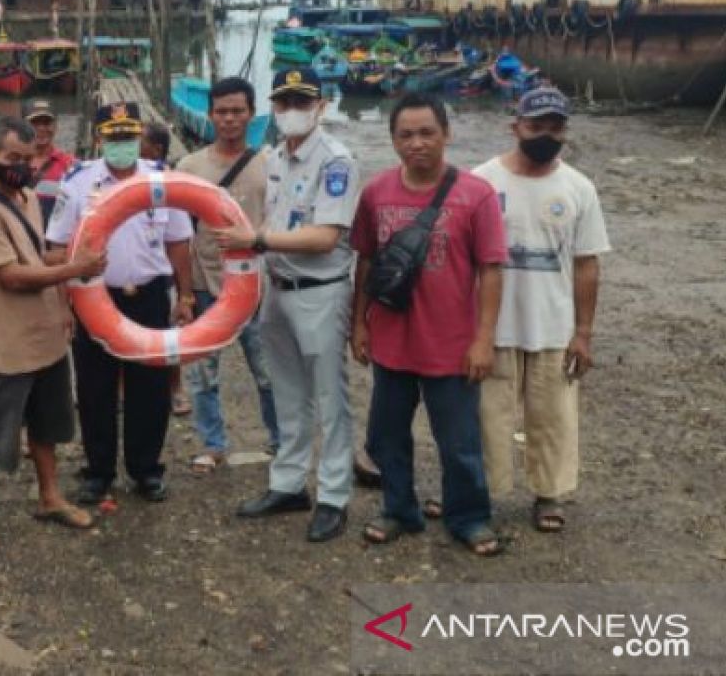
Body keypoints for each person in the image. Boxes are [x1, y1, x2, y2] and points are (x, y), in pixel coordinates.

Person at [350, 92, 506, 556]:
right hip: (392, 340)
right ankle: (400, 509)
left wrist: (484, 340)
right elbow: (366, 262)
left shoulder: (475, 195)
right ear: (393, 140)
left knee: (459, 442)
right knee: (386, 435)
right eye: (406, 134)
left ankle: (469, 516)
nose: (417, 143)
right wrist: (358, 324)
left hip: (452, 345)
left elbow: (492, 270)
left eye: (427, 133)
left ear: (447, 135)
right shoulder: (376, 192)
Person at [217, 68, 358, 544]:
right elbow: (278, 219)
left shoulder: (336, 161)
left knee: (329, 398)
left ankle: (334, 495)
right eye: (284, 103)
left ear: (321, 105)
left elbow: (324, 237)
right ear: (273, 109)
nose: (292, 110)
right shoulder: (276, 157)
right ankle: (289, 484)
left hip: (321, 291)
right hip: (278, 287)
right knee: (288, 394)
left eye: (302, 101)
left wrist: (255, 238)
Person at [0, 117, 107, 557]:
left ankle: (49, 497)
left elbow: (35, 253)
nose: (20, 167)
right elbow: (12, 275)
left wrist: (65, 301)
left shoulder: (26, 198)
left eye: (27, 159)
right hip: (7, 342)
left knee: (47, 426)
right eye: (11, 159)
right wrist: (74, 269)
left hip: (46, 339)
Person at [473, 87, 610, 533]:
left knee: (552, 415)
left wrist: (583, 333)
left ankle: (549, 494)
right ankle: (484, 492)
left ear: (565, 131)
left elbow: (587, 263)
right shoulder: (482, 182)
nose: (546, 135)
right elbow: (463, 260)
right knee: (488, 416)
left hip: (553, 325)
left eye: (555, 127)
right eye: (536, 126)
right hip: (493, 326)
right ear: (515, 127)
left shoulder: (579, 188)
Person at [47, 101, 195, 505]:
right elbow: (58, 247)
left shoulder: (162, 179)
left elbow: (179, 243)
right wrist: (64, 308)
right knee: (95, 390)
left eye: (128, 136)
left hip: (149, 297)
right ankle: (99, 472)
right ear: (99, 139)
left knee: (151, 388)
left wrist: (185, 295)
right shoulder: (77, 182)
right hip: (93, 295)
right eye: (113, 137)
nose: (122, 144)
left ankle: (146, 470)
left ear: (140, 137)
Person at [176, 77, 279, 471]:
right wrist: (183, 293)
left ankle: (280, 441)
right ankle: (213, 444)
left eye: (238, 111)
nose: (230, 119)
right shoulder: (190, 166)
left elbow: (280, 225)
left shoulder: (269, 164)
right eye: (222, 111)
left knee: (268, 375)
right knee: (203, 376)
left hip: (256, 287)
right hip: (206, 286)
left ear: (251, 114)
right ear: (210, 114)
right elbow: (180, 234)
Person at [142, 121, 191, 417]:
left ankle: (175, 389)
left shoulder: (168, 182)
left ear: (157, 150)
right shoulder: (107, 180)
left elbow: (180, 243)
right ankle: (124, 391)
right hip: (122, 279)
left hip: (160, 281)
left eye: (138, 140)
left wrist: (186, 294)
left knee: (168, 341)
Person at [26, 99, 75, 223]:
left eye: (47, 123)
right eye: (34, 123)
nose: (41, 128)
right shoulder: (12, 162)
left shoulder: (69, 164)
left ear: (56, 126)